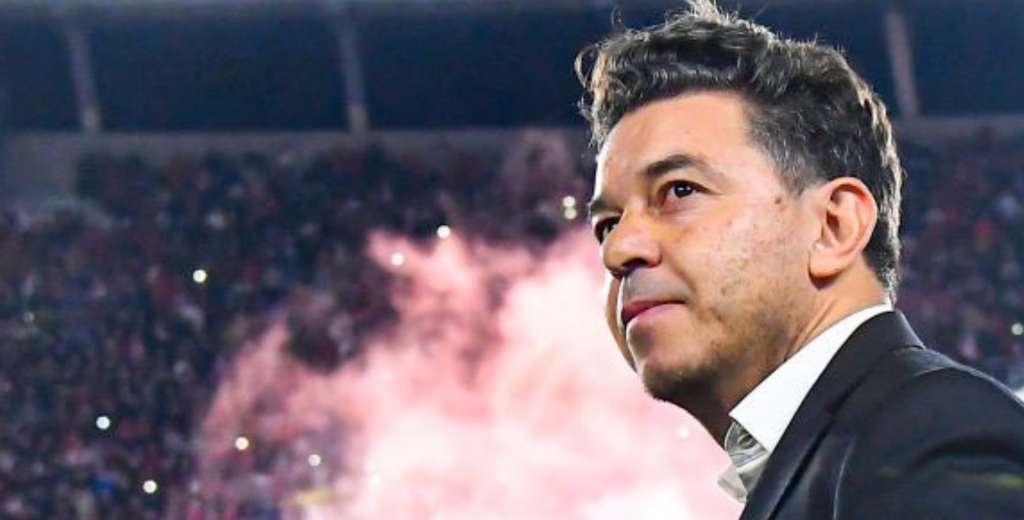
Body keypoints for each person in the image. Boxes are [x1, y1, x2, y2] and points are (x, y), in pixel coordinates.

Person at [577, 1, 1024, 518]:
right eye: (608, 224)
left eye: (679, 190)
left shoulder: (931, 434)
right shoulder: (848, 452)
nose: (617, 250)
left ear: (834, 227)